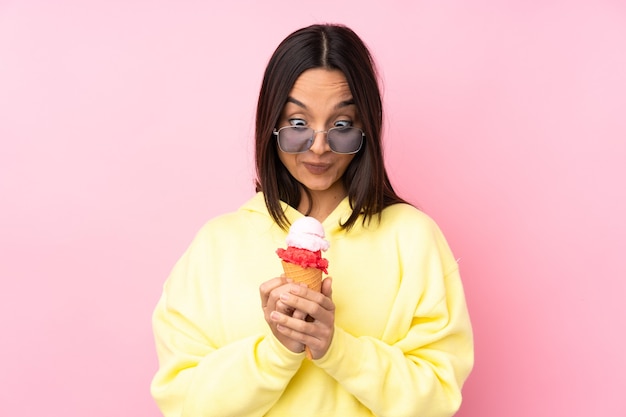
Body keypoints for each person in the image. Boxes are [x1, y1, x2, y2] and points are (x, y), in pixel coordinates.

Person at [150, 23, 473, 417]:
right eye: (298, 124)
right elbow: (183, 403)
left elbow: (438, 397)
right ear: (271, 125)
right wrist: (276, 351)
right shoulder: (216, 244)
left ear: (365, 128)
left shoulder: (413, 238)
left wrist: (335, 347)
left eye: (341, 125)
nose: (319, 146)